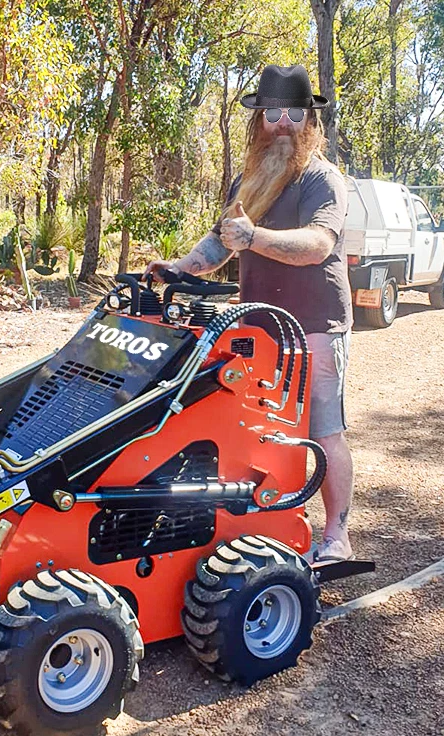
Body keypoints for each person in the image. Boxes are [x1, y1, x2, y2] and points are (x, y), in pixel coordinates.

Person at [145, 64, 353, 564]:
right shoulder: (251, 178)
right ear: (258, 120)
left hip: (315, 328)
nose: (283, 123)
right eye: (273, 113)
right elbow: (221, 244)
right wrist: (180, 268)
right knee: (255, 428)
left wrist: (254, 237)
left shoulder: (324, 181)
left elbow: (317, 245)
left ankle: (337, 536)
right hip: (258, 328)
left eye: (294, 114)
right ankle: (267, 524)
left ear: (310, 123)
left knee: (323, 430)